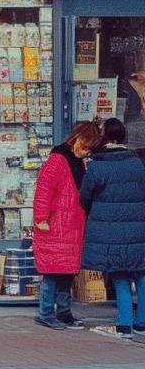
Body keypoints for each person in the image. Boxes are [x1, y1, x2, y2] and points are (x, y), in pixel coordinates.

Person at [79, 117, 145, 339]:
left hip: (110, 230)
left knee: (119, 274)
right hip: (138, 229)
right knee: (140, 274)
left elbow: (84, 198)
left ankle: (124, 323)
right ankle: (142, 322)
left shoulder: (97, 167)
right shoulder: (137, 163)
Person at [32, 121, 101, 330]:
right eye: (85, 146)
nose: (86, 151)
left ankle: (63, 312)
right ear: (77, 138)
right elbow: (44, 191)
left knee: (67, 273)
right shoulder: (57, 160)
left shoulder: (78, 162)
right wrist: (41, 219)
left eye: (90, 149)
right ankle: (45, 313)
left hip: (71, 226)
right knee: (53, 273)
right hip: (55, 225)